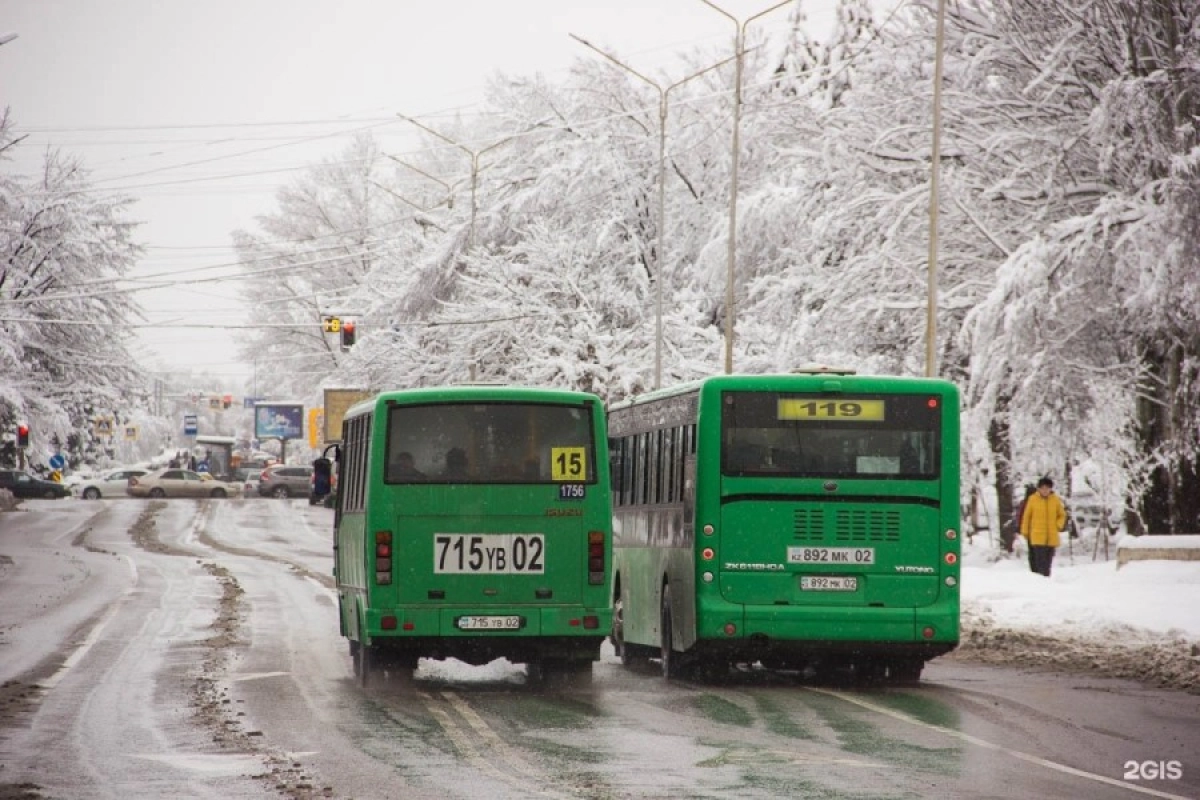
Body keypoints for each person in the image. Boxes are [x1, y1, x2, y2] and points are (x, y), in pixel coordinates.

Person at [1020, 476, 1066, 577]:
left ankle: (1046, 583)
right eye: (1043, 488)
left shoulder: (1055, 500)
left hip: (1051, 536)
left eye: (1047, 488)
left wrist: (1058, 525)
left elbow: (1062, 515)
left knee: (1047, 563)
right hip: (1037, 536)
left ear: (1050, 489)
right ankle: (1039, 583)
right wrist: (1025, 531)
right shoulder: (1033, 499)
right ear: (1039, 489)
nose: (1045, 491)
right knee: (1039, 562)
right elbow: (1027, 516)